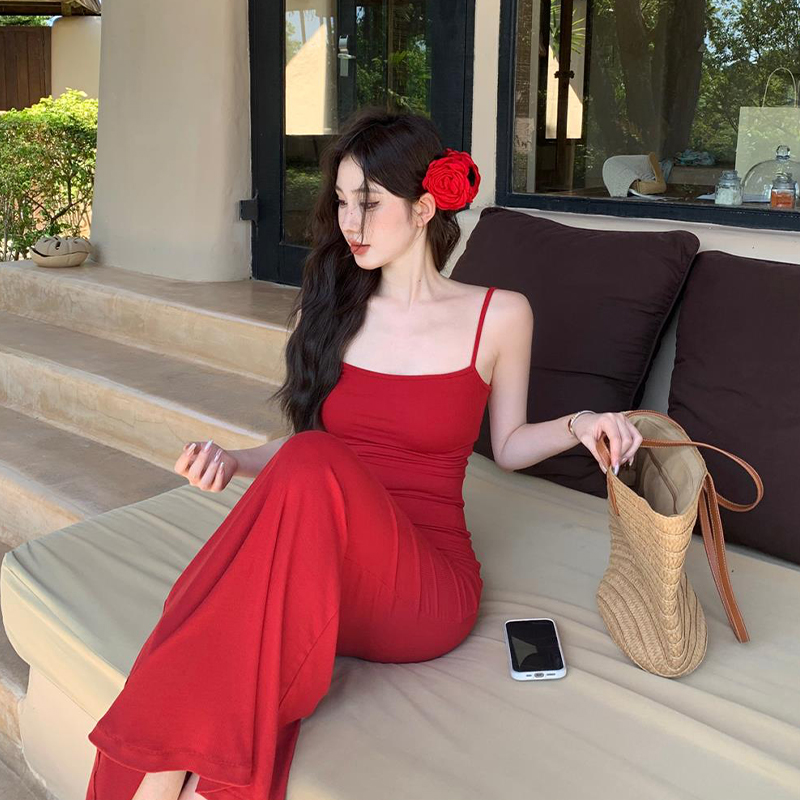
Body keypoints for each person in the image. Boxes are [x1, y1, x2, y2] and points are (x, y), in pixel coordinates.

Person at [83, 106, 643, 800]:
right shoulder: (333, 310)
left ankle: (153, 778)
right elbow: (312, 455)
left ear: (425, 207)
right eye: (343, 202)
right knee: (224, 589)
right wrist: (234, 459)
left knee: (262, 536)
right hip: (330, 570)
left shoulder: (500, 314)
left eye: (370, 203)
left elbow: (507, 446)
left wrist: (582, 423)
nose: (350, 222)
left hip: (423, 587)